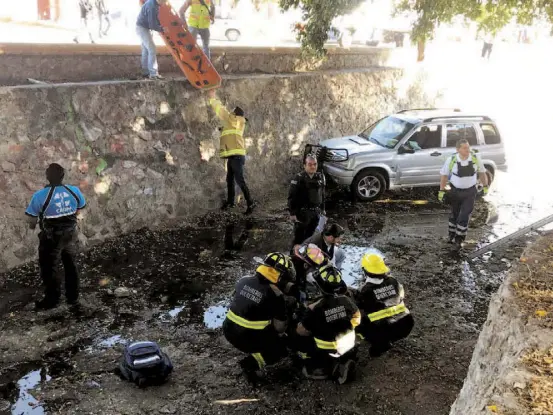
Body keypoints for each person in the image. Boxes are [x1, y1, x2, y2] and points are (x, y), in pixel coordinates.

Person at [222, 252, 297, 380]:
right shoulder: (275, 295)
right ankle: (249, 364)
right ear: (280, 274)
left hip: (228, 329)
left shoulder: (243, 280)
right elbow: (280, 328)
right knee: (282, 349)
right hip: (245, 338)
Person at [25, 164, 87, 311]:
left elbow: (32, 219)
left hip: (52, 237)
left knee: (49, 268)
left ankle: (52, 301)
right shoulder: (74, 191)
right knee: (71, 265)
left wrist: (33, 227)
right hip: (71, 234)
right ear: (63, 175)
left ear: (47, 176)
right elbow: (80, 209)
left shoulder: (40, 195)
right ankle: (73, 298)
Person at [294, 264, 360, 384]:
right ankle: (344, 361)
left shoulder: (314, 309)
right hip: (349, 343)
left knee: (298, 338)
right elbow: (357, 319)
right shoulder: (346, 301)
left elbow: (301, 331)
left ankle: (321, 367)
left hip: (325, 349)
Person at [354, 252, 414, 357]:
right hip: (407, 323)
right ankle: (386, 340)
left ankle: (380, 346)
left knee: (359, 323)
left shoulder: (365, 290)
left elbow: (359, 308)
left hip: (385, 329)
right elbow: (400, 296)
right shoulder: (393, 281)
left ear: (365, 270)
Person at [207, 89, 256, 215]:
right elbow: (230, 131)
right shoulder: (236, 122)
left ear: (235, 114)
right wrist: (223, 129)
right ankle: (230, 203)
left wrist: (212, 98)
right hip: (233, 156)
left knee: (239, 180)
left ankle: (251, 203)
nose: (230, 112)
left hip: (236, 157)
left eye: (232, 111)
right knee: (230, 180)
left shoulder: (232, 119)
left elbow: (220, 110)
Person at [438, 139, 489, 248]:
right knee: (454, 215)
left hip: (470, 192)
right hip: (455, 191)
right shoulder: (452, 159)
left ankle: (459, 239)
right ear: (458, 149)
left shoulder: (475, 158)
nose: (468, 150)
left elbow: (482, 173)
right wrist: (441, 191)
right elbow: (444, 176)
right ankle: (451, 235)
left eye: (468, 147)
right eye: (465, 148)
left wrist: (485, 186)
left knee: (464, 216)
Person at [288, 155, 326, 245]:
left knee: (310, 237)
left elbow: (322, 195)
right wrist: (292, 213)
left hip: (316, 212)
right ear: (304, 165)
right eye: (310, 164)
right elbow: (291, 197)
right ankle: (293, 256)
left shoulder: (320, 177)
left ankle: (305, 255)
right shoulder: (299, 178)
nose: (313, 167)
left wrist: (323, 209)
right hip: (303, 213)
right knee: (299, 238)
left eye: (315, 164)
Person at [136, 0, 167, 80]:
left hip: (142, 27)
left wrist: (159, 26)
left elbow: (154, 21)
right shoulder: (152, 6)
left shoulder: (153, 3)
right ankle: (153, 74)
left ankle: (145, 72)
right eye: (164, 2)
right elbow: (152, 24)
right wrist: (162, 29)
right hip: (143, 28)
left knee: (146, 50)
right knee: (152, 49)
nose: (164, 4)